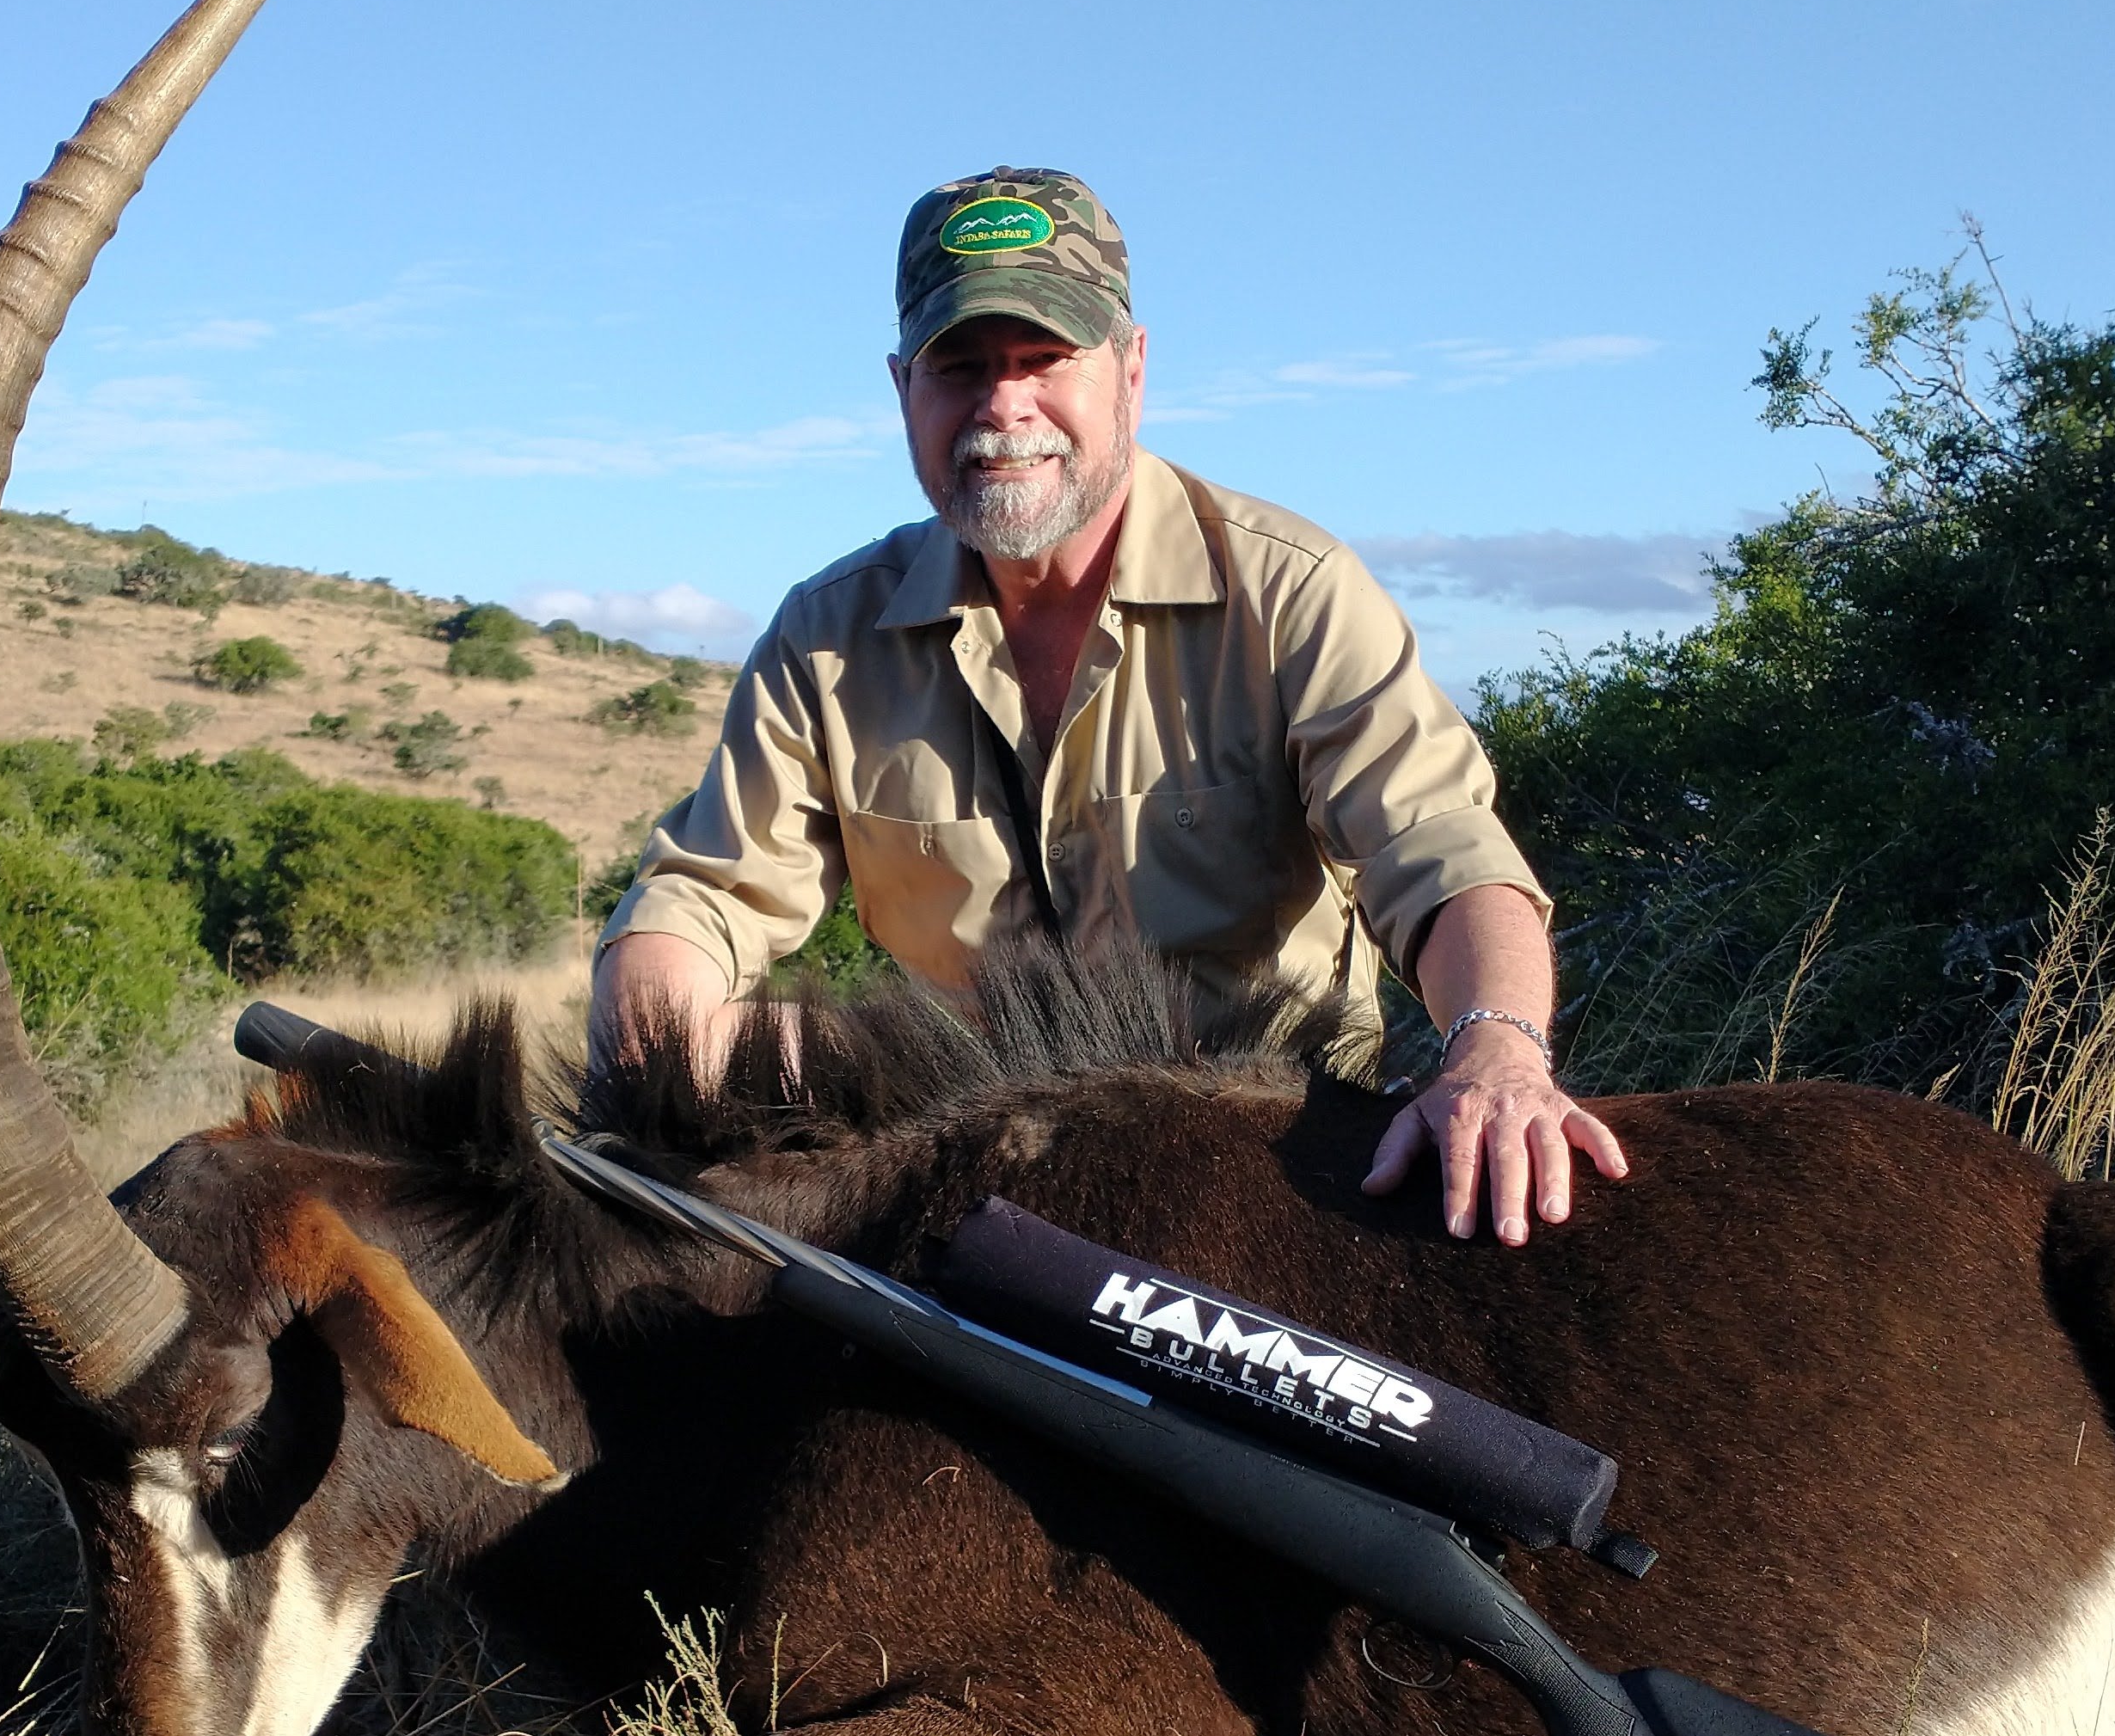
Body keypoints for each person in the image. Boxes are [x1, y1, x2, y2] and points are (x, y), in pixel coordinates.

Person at [590, 167, 1626, 1242]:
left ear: (1132, 371)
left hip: (1272, 1183)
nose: (1004, 406)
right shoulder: (826, 636)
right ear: (904, 387)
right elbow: (701, 900)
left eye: (1046, 359)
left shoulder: (1291, 590)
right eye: (962, 366)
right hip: (970, 1184)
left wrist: (1496, 1050)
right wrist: (668, 1032)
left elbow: (1442, 852)